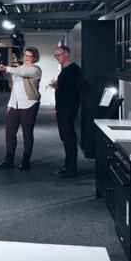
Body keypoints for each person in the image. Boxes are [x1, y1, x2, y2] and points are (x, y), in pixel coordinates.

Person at [0, 47, 42, 171]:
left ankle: (26, 161)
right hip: (15, 105)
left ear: (34, 58)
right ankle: (9, 160)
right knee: (9, 132)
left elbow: (23, 73)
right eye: (26, 55)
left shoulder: (35, 70)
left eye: (30, 56)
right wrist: (10, 104)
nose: (27, 58)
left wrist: (6, 68)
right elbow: (14, 89)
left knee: (27, 133)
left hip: (29, 104)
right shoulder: (18, 69)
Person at [50, 45, 82, 178]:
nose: (57, 57)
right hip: (64, 108)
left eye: (59, 55)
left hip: (67, 109)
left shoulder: (73, 70)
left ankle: (71, 169)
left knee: (68, 138)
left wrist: (57, 108)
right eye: (55, 55)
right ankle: (68, 165)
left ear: (66, 54)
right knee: (66, 137)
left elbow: (69, 92)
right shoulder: (67, 70)